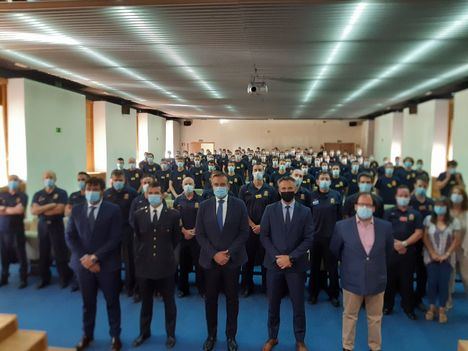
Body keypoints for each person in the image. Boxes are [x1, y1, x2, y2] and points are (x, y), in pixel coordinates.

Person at [330, 192, 393, 351]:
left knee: (375, 318)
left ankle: (375, 346)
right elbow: (335, 250)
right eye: (361, 204)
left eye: (368, 205)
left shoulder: (385, 227)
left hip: (377, 279)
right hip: (351, 279)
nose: (364, 207)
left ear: (373, 208)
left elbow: (388, 252)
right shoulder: (342, 226)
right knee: (350, 316)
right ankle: (347, 346)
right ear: (355, 206)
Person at [65, 177, 123, 351]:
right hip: (83, 265)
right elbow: (70, 236)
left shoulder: (113, 210)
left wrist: (96, 258)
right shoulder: (76, 210)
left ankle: (115, 336)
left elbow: (115, 239)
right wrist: (86, 259)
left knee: (112, 302)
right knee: (87, 303)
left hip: (107, 264)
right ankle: (87, 335)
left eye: (95, 188)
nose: (91, 191)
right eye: (89, 188)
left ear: (102, 191)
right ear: (84, 190)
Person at [195, 171, 249, 351]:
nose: (219, 187)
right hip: (210, 262)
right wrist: (214, 254)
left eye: (222, 184)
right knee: (210, 300)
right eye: (216, 184)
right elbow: (200, 235)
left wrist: (228, 253)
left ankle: (231, 336)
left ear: (228, 185)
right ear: (211, 185)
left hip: (232, 261)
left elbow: (244, 232)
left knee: (232, 300)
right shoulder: (204, 206)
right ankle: (211, 335)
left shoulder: (239, 205)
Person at [260, 175, 313, 351]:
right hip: (274, 265)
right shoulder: (269, 209)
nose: (287, 191)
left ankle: (300, 340)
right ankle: (272, 337)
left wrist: (290, 258)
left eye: (290, 188)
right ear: (278, 190)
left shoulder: (305, 211)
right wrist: (278, 257)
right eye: (283, 189)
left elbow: (308, 239)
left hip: (296, 266)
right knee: (273, 304)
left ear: (296, 189)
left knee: (298, 305)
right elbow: (264, 236)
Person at [132, 181, 180, 349]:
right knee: (146, 303)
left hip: (165, 266)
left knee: (169, 302)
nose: (153, 195)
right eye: (150, 192)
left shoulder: (173, 215)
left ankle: (171, 334)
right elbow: (137, 240)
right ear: (146, 194)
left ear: (163, 194)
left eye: (156, 192)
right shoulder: (139, 214)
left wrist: (169, 258)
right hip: (144, 267)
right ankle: (144, 332)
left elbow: (175, 241)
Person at [383, 185, 423, 320]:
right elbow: (384, 232)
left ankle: (408, 308)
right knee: (389, 281)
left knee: (407, 282)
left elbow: (419, 232)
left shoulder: (416, 214)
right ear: (396, 197)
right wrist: (396, 245)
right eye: (401, 195)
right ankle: (387, 306)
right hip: (391, 252)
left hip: (409, 253)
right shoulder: (389, 212)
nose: (403, 198)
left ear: (409, 197)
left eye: (406, 196)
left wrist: (404, 244)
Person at [238, 163, 278, 297]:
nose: (258, 172)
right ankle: (246, 286)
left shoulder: (271, 190)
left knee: (266, 260)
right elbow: (241, 210)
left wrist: (262, 226)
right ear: (251, 172)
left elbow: (274, 211)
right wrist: (252, 225)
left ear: (264, 171)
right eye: (255, 170)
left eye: (260, 170)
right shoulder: (244, 189)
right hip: (249, 231)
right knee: (247, 261)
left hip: (266, 231)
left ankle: (267, 287)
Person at [31, 171, 73, 289]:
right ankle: (44, 278)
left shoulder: (62, 193)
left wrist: (41, 209)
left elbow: (60, 210)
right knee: (43, 253)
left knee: (60, 253)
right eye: (46, 177)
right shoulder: (38, 194)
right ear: (43, 179)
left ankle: (64, 278)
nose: (48, 179)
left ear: (55, 179)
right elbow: (33, 211)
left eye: (51, 177)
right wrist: (51, 205)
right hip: (42, 225)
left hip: (56, 225)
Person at [423, 197, 461, 323]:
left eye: (443, 205)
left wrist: (447, 254)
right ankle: (431, 307)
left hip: (448, 258)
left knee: (444, 284)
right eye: (438, 204)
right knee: (432, 283)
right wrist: (432, 253)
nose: (440, 207)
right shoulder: (428, 219)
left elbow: (456, 239)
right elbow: (425, 237)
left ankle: (442, 309)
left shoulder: (454, 221)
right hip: (431, 257)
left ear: (447, 207)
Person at [308, 171, 342, 307]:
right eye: (322, 178)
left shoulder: (336, 195)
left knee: (332, 269)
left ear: (330, 181)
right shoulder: (311, 196)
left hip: (331, 238)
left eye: (327, 179)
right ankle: (313, 293)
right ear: (317, 182)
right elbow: (307, 217)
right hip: (315, 238)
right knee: (314, 267)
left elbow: (340, 218)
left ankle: (334, 295)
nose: (324, 181)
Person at [104, 170, 139, 297]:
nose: (117, 182)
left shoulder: (132, 193)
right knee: (113, 259)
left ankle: (131, 286)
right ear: (111, 180)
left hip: (127, 230)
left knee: (129, 260)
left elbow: (136, 212)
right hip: (111, 232)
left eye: (120, 180)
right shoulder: (106, 194)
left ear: (124, 180)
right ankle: (115, 285)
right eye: (115, 180)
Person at [174, 177, 204, 298]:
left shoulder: (201, 199)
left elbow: (202, 218)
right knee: (183, 265)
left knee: (199, 265)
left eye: (190, 183)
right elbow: (176, 218)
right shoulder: (178, 200)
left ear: (194, 184)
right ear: (182, 185)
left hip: (197, 237)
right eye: (185, 184)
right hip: (183, 236)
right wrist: (184, 231)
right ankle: (183, 289)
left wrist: (195, 230)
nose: (188, 185)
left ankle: (202, 289)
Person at [409, 176, 434, 311]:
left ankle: (418, 298)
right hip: (411, 240)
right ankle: (406, 296)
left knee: (422, 272)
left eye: (425, 186)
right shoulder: (410, 200)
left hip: (426, 242)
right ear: (415, 185)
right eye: (420, 186)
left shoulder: (431, 202)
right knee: (407, 270)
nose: (422, 188)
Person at [0, 175, 28, 288]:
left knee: (21, 254)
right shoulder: (2, 194)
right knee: (4, 255)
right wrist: (12, 209)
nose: (12, 182)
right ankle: (4, 277)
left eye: (15, 180)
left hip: (17, 230)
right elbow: (15, 210)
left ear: (18, 182)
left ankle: (23, 279)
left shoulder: (23, 195)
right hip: (2, 230)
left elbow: (20, 210)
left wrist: (4, 209)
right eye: (10, 180)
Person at [447, 185, 468, 306]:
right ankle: (447, 303)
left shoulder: (466, 212)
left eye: (459, 193)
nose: (456, 196)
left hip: (464, 249)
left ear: (463, 196)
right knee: (448, 278)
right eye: (454, 193)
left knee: (466, 278)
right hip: (449, 249)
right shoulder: (446, 211)